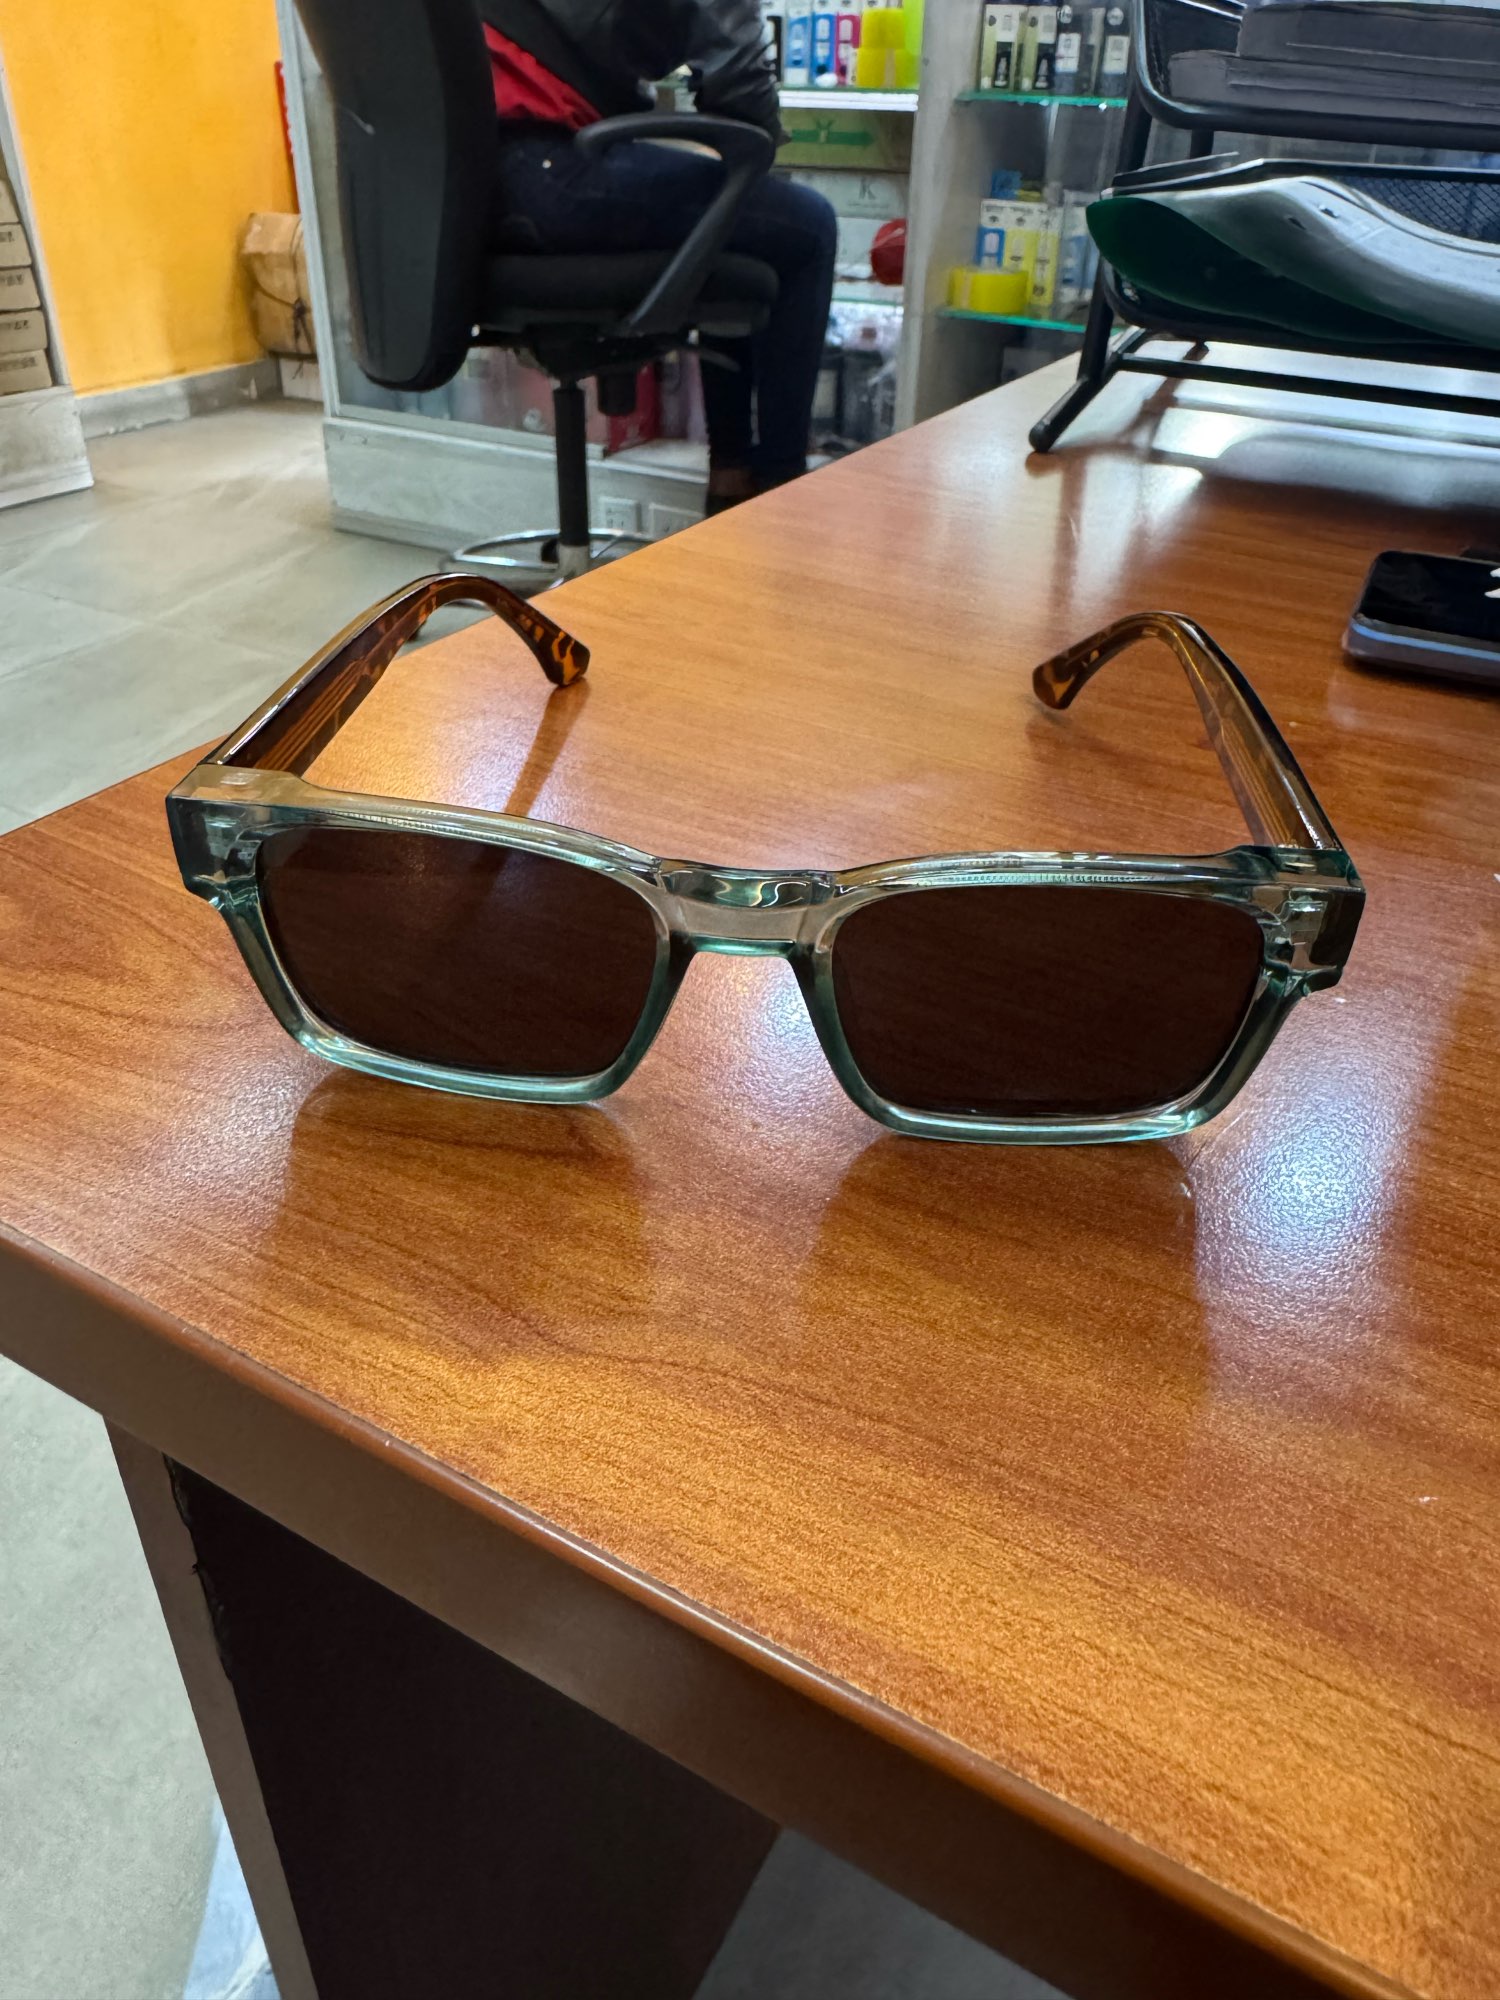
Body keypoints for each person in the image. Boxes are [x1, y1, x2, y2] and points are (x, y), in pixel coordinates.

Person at [480, 0, 836, 513]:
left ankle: (731, 480)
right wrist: (758, 138)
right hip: (553, 172)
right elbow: (737, 69)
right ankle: (780, 494)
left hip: (478, 188)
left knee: (733, 220)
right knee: (809, 225)